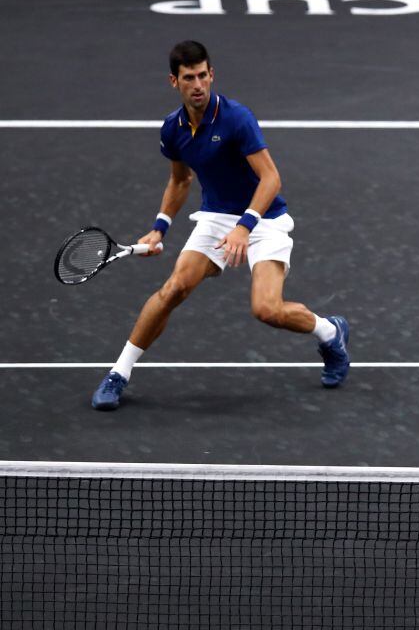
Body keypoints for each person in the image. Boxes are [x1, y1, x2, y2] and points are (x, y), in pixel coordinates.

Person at [91, 40, 350, 410]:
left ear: (211, 74)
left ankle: (330, 332)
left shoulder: (236, 118)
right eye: (188, 78)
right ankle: (119, 373)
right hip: (215, 218)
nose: (197, 85)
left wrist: (244, 227)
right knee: (174, 288)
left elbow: (271, 179)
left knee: (267, 310)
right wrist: (160, 227)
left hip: (264, 220)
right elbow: (181, 181)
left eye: (202, 76)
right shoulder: (172, 129)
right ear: (173, 82)